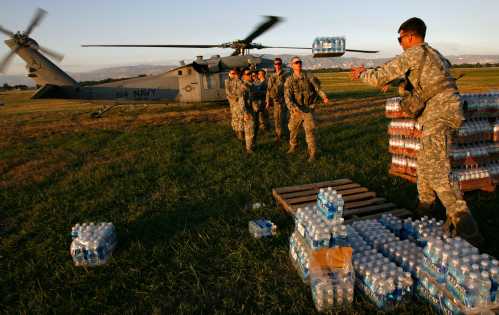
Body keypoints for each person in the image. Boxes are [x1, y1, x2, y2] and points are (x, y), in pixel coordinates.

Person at [351, 17, 482, 245]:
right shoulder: (435, 55)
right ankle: (425, 212)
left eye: (400, 38)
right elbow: (422, 81)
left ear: (409, 36)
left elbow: (378, 76)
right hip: (446, 112)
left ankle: (469, 231)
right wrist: (397, 84)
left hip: (439, 116)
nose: (400, 43)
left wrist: (362, 74)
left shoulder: (413, 53)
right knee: (424, 165)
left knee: (439, 174)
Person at [284, 56, 329, 162]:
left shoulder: (308, 76)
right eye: (296, 63)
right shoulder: (289, 80)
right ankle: (293, 146)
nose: (298, 64)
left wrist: (324, 97)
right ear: (292, 65)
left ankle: (312, 153)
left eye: (299, 62)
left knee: (310, 131)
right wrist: (292, 108)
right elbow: (287, 96)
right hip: (296, 110)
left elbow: (318, 88)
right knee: (293, 130)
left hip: (308, 109)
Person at [266, 57, 289, 143]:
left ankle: (286, 135)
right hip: (276, 102)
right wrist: (268, 101)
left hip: (284, 100)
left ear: (281, 64)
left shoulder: (286, 75)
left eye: (279, 64)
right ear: (274, 65)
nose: (277, 65)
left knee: (284, 118)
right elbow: (268, 89)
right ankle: (279, 135)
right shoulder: (272, 76)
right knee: (276, 119)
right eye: (276, 64)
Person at [225, 68, 244, 140]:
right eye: (232, 73)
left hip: (240, 104)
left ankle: (241, 135)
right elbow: (229, 93)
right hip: (233, 104)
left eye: (235, 73)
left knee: (240, 119)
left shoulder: (240, 81)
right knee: (235, 119)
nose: (233, 75)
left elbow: (242, 91)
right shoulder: (227, 82)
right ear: (229, 74)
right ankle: (237, 134)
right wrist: (236, 96)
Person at [240, 69, 257, 153]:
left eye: (251, 73)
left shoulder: (251, 85)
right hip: (248, 112)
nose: (251, 75)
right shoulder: (243, 87)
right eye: (248, 74)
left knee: (253, 129)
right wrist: (245, 113)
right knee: (249, 130)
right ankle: (249, 149)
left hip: (252, 110)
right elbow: (241, 101)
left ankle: (252, 146)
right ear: (243, 76)